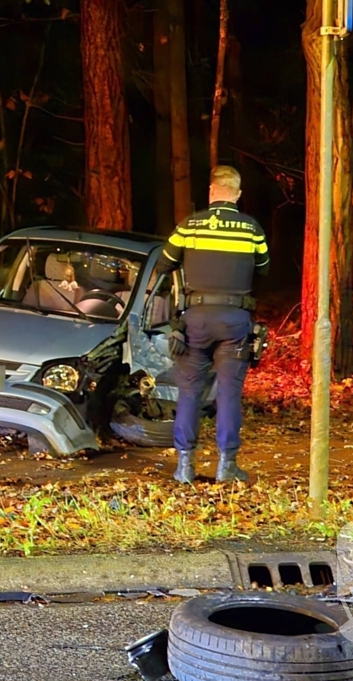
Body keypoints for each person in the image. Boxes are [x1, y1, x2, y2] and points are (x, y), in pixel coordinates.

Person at [154, 165, 270, 484]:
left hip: (196, 321)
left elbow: (164, 263)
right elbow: (263, 267)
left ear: (211, 191)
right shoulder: (251, 229)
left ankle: (184, 467)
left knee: (190, 391)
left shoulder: (190, 225)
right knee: (229, 394)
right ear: (238, 194)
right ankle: (226, 466)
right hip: (234, 321)